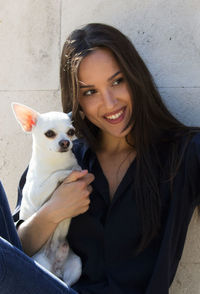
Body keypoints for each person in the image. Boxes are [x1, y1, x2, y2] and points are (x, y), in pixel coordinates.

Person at [1, 23, 200, 294]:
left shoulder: (183, 152)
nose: (109, 102)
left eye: (118, 81)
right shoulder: (61, 157)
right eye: (90, 92)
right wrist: (53, 211)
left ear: (135, 78)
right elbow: (13, 260)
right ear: (77, 101)